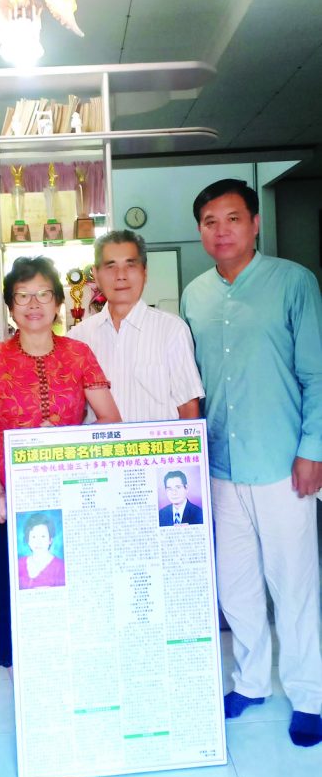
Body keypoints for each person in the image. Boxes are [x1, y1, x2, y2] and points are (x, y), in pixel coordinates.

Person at [180, 177, 322, 747]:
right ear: (200, 230)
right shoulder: (194, 295)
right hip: (218, 465)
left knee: (294, 585)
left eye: (233, 218)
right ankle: (251, 682)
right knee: (236, 586)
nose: (222, 231)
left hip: (282, 462)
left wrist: (313, 449)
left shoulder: (294, 283)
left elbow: (316, 373)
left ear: (255, 223)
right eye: (210, 221)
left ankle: (308, 695)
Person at [0, 255, 121, 666]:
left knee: (73, 588)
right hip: (9, 496)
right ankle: (22, 674)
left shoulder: (79, 354)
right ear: (9, 305)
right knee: (13, 591)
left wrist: (68, 439)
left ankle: (71, 668)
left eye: (43, 294)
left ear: (57, 302)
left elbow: (110, 420)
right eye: (23, 296)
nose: (33, 304)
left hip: (71, 493)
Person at [69, 230, 204, 421]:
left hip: (158, 441)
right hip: (101, 442)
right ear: (96, 275)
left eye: (130, 265)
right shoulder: (78, 337)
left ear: (145, 272)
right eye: (111, 266)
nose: (121, 276)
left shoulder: (171, 330)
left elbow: (188, 407)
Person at [18, 512, 65, 590]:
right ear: (28, 540)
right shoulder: (19, 564)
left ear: (50, 540)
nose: (38, 542)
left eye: (43, 536)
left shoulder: (61, 567)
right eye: (34, 537)